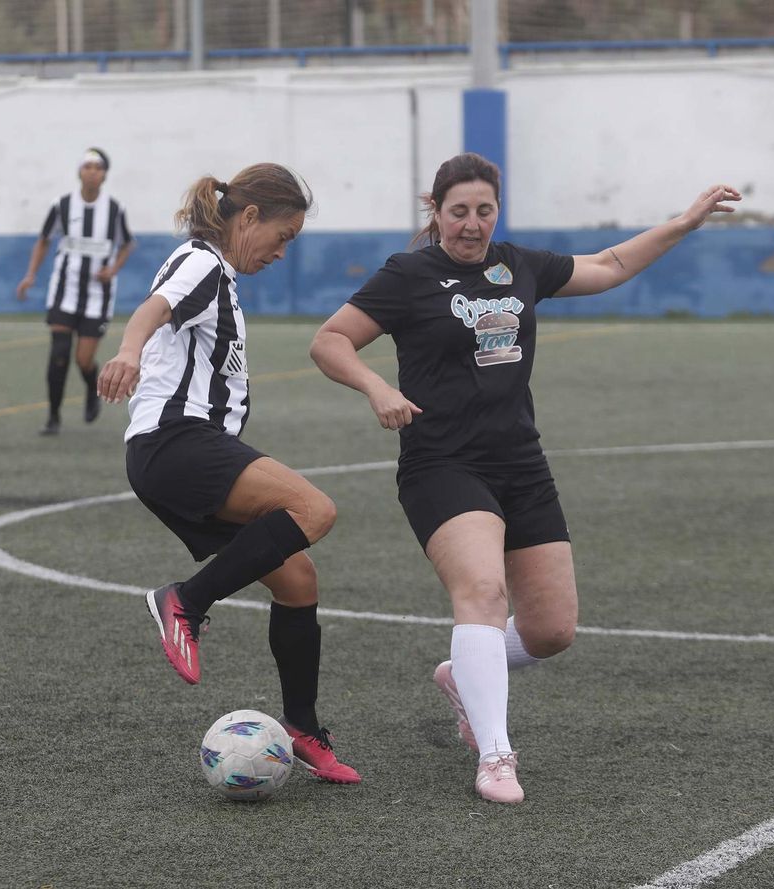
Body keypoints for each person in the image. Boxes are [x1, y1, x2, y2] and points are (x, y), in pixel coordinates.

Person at [309, 152, 740, 803]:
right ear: (436, 210)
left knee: (551, 630)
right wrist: (375, 386)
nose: (473, 225)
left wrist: (683, 222)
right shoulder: (408, 274)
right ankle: (496, 753)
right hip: (442, 464)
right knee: (482, 592)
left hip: (520, 462)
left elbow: (611, 265)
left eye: (485, 210)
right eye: (459, 212)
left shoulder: (521, 266)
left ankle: (464, 674)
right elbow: (330, 340)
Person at [97, 163, 361, 785]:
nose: (282, 250)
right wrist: (128, 351)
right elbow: (152, 310)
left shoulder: (221, 276)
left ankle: (301, 728)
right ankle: (182, 601)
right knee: (313, 510)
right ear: (248, 218)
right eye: (284, 234)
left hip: (178, 453)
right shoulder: (204, 263)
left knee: (297, 579)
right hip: (176, 444)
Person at [17, 148, 136, 436]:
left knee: (83, 358)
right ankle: (53, 416)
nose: (92, 171)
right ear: (79, 171)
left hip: (97, 295)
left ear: (105, 174)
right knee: (59, 353)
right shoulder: (62, 205)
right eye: (87, 166)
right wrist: (31, 275)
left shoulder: (115, 209)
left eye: (98, 167)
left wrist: (113, 269)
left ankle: (91, 386)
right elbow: (44, 240)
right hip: (64, 290)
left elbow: (127, 244)